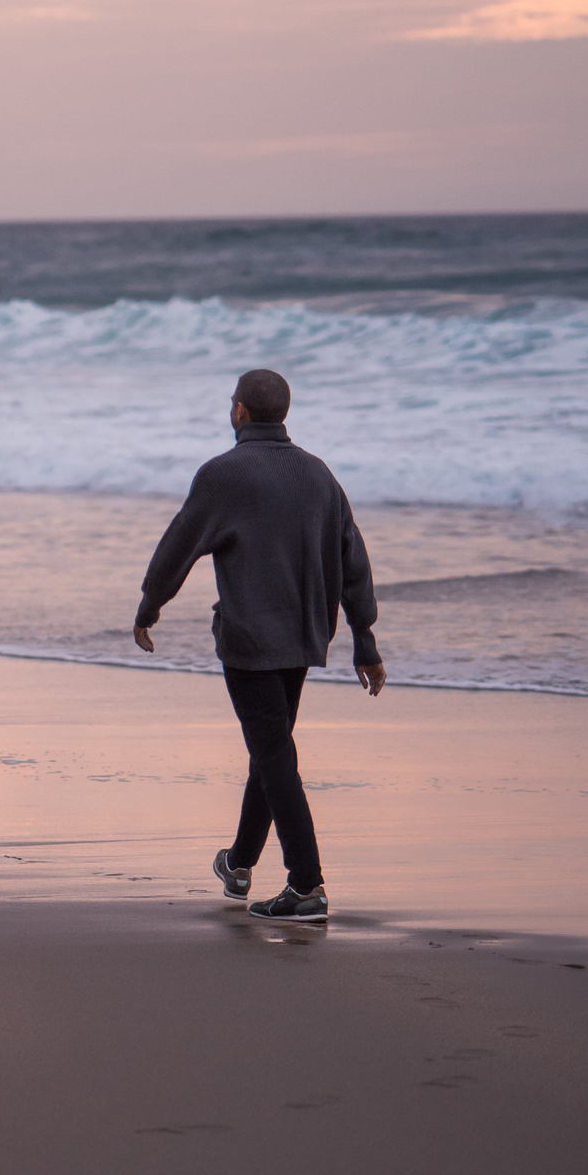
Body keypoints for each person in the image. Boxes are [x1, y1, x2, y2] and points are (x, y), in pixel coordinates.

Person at [133, 367, 382, 921]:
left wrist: (150, 606)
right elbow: (353, 557)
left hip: (250, 638)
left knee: (274, 755)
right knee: (270, 752)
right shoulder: (318, 475)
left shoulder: (225, 475)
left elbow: (178, 546)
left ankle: (307, 885)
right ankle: (240, 864)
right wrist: (364, 637)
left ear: (240, 411)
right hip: (303, 637)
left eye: (232, 403)